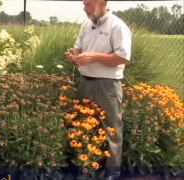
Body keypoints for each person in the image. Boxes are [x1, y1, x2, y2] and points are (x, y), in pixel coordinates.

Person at [66, 0, 132, 179]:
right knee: (83, 124)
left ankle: (112, 172)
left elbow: (124, 57)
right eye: (84, 4)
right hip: (85, 82)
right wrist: (75, 56)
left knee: (111, 129)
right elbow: (78, 48)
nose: (84, 8)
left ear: (102, 3)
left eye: (88, 4)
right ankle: (86, 168)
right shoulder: (86, 25)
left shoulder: (117, 26)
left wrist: (94, 57)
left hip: (107, 85)